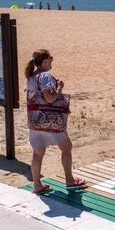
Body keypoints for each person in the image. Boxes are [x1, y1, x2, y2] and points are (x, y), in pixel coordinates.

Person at [25, 49, 87, 193]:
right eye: (50, 58)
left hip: (35, 121)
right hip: (50, 120)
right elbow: (49, 98)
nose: (52, 60)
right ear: (45, 61)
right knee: (66, 147)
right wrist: (59, 88)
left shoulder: (31, 77)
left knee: (37, 153)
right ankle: (70, 180)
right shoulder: (45, 76)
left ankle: (37, 185)